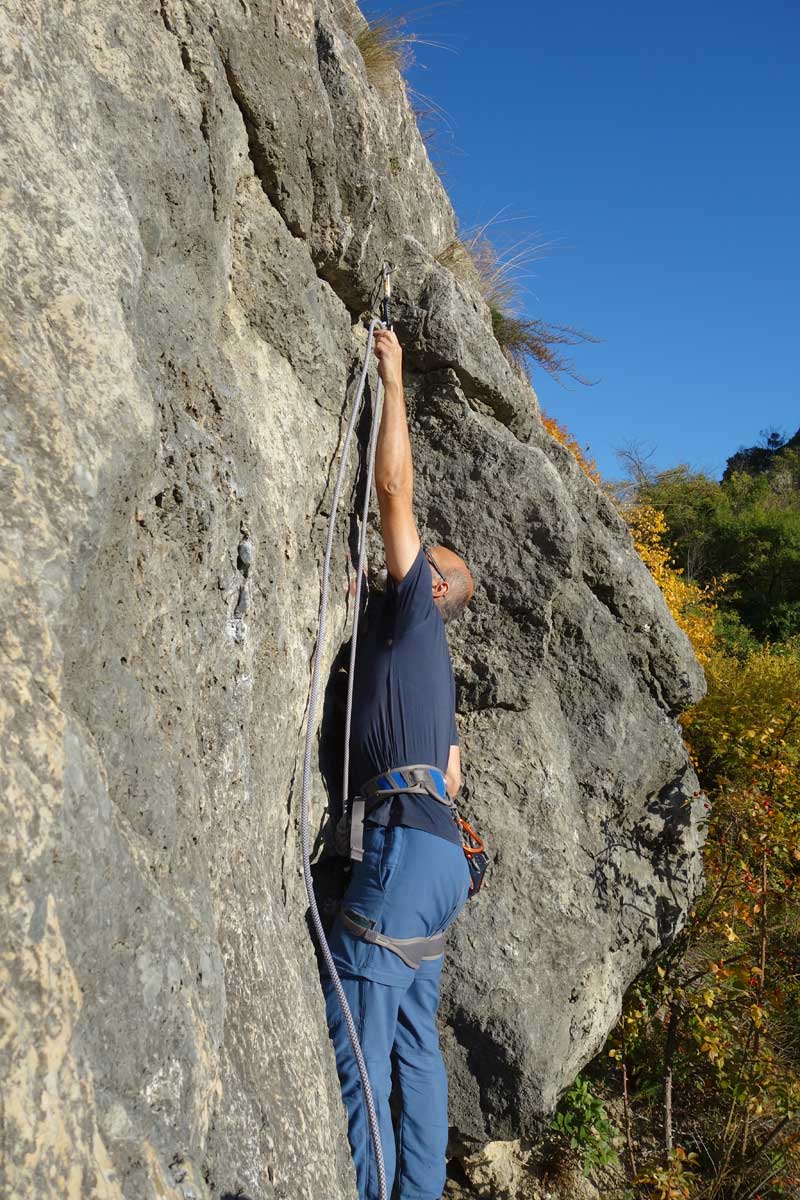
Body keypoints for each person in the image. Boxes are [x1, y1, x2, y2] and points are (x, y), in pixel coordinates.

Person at [320, 326, 475, 1200]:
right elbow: (448, 765)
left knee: (360, 1041)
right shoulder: (414, 647)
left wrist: (394, 378)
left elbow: (391, 488)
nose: (413, 556)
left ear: (440, 586)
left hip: (408, 854)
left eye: (429, 558)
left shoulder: (417, 609)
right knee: (416, 1047)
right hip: (437, 856)